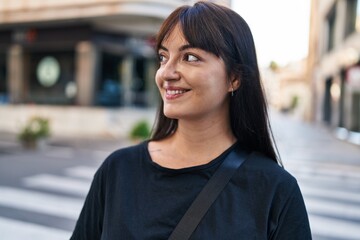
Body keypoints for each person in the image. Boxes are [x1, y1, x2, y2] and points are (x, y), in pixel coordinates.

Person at [70, 1, 312, 239]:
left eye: (190, 57)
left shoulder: (275, 191)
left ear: (234, 78)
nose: (166, 73)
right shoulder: (118, 170)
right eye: (164, 57)